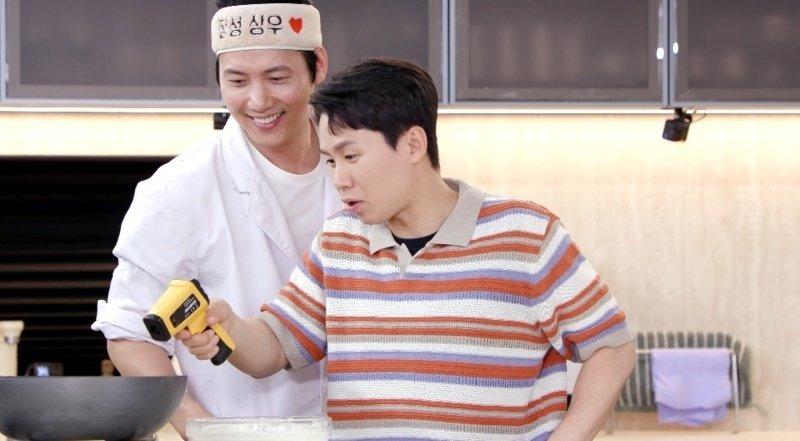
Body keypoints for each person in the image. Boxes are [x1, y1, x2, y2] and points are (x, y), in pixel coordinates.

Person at [181, 58, 637, 440]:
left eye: (351, 156)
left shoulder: (526, 235)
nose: (339, 179)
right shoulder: (338, 242)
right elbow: (275, 347)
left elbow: (612, 348)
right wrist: (228, 327)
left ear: (413, 144)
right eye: (331, 161)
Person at [92, 1, 338, 438]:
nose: (258, 101)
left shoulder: (366, 164)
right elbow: (130, 335)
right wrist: (203, 429)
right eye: (237, 81)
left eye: (277, 78)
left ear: (317, 65)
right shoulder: (178, 190)